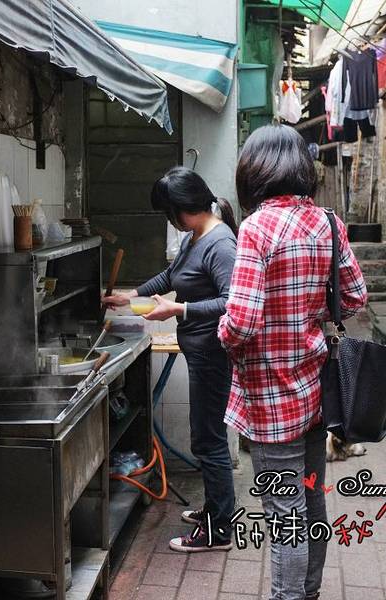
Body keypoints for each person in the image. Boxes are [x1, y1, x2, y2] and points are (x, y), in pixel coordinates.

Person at [218, 125, 367, 600]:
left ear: (254, 171)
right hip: (316, 388)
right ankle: (309, 592)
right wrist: (311, 313)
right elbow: (356, 296)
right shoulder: (329, 223)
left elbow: (240, 323)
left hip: (270, 397)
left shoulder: (256, 228)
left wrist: (223, 335)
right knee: (311, 498)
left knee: (285, 513)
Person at [103, 166, 238, 552]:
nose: (169, 219)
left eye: (168, 212)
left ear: (182, 208)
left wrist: (179, 310)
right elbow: (171, 276)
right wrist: (131, 296)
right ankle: (215, 510)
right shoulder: (196, 236)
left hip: (213, 354)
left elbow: (232, 302)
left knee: (209, 441)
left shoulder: (220, 243)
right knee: (205, 437)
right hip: (200, 353)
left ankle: (218, 530)